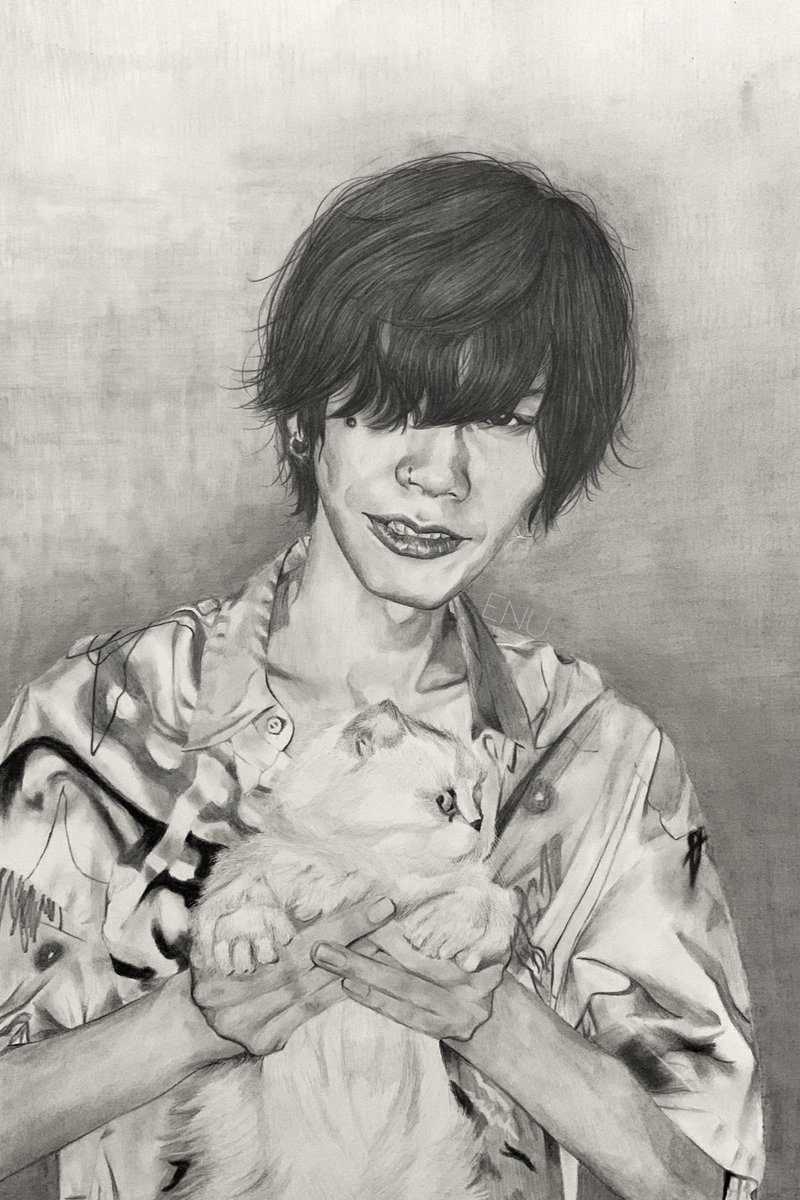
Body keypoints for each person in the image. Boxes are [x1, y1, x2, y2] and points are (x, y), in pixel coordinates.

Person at [0, 154, 763, 1200]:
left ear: (557, 450)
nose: (438, 475)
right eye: (395, 407)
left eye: (505, 420)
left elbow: (709, 1185)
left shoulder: (597, 757)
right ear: (305, 416)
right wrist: (187, 1025)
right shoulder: (97, 722)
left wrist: (494, 1020)